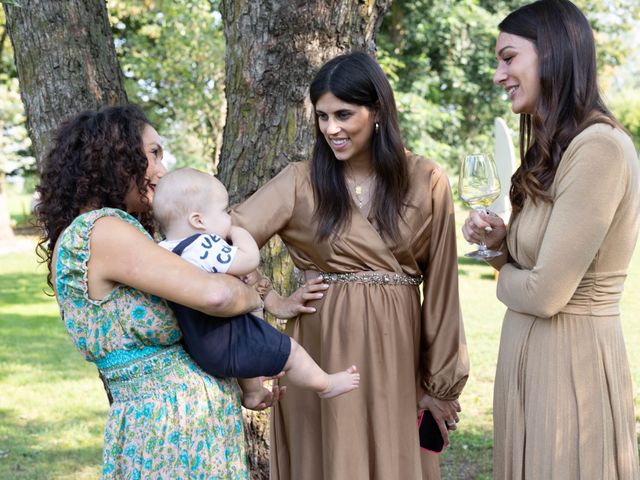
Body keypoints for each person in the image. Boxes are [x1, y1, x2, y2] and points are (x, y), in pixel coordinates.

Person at [231, 51, 469, 480]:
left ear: (377, 110)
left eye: (343, 114)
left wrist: (441, 385)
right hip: (322, 348)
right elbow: (226, 235)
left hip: (399, 352)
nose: (331, 129)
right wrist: (272, 298)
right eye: (322, 117)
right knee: (330, 458)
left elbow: (443, 288)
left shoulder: (425, 178)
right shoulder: (300, 180)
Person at [35, 105, 286, 479]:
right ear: (114, 157)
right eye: (153, 154)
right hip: (171, 435)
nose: (162, 170)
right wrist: (253, 297)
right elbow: (216, 296)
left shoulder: (98, 233)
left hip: (174, 430)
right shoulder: (103, 230)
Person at [462, 1, 640, 478]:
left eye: (508, 57)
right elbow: (532, 268)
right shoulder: (553, 150)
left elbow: (545, 295)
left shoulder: (598, 148)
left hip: (571, 366)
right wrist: (499, 246)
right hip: (529, 361)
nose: (499, 75)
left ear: (554, 54)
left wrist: (504, 281)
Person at [151, 167, 360, 404]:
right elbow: (249, 260)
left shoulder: (165, 251)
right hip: (227, 335)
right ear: (198, 221)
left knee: (245, 352)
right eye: (224, 211)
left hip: (200, 347)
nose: (229, 218)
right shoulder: (203, 245)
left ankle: (253, 393)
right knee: (292, 352)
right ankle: (325, 384)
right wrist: (240, 234)